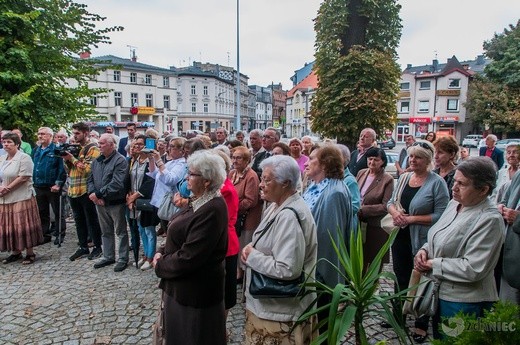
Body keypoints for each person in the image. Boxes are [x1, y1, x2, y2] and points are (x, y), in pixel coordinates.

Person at [414, 157, 505, 339]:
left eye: (462, 184)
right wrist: (425, 250)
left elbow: (474, 268)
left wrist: (433, 264)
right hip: (441, 293)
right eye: (455, 181)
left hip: (465, 301)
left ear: (483, 189)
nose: (454, 188)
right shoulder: (455, 203)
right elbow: (439, 235)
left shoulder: (490, 219)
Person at [153, 150, 229, 345]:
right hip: (183, 290)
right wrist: (161, 251)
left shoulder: (212, 208)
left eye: (192, 173)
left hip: (196, 294)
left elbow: (190, 256)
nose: (186, 177)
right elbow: (176, 231)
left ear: (206, 180)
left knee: (194, 337)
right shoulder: (199, 201)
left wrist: (161, 264)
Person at [242, 155, 318, 344]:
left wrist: (252, 256)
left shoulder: (288, 216)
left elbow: (287, 268)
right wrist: (254, 247)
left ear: (285, 183)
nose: (261, 184)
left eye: (266, 179)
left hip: (280, 313)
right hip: (274, 308)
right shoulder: (278, 206)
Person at [387, 140, 449, 342]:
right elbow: (390, 202)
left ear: (428, 160)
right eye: (411, 156)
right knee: (400, 276)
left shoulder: (436, 182)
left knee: (422, 278)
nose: (413, 160)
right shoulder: (404, 178)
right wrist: (396, 213)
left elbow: (441, 214)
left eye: (418, 157)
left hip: (422, 239)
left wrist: (411, 219)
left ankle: (421, 324)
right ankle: (398, 315)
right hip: (400, 235)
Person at [303, 144, 352, 332]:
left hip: (320, 271)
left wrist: (322, 276)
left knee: (322, 321)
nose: (307, 163)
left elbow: (330, 238)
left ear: (324, 164)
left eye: (312, 159)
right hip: (310, 264)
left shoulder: (335, 193)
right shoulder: (316, 185)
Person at [87, 133, 129, 272]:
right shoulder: (96, 161)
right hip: (99, 202)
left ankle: (123, 258)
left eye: (103, 143)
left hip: (115, 201)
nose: (99, 146)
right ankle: (108, 255)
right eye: (99, 143)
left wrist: (99, 194)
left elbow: (117, 183)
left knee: (120, 231)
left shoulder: (120, 160)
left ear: (112, 145)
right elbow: (90, 179)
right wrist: (93, 194)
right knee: (105, 231)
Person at [0, 132, 42, 264]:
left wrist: (7, 188)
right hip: (5, 197)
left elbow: (24, 176)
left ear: (17, 144)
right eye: (4, 142)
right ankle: (15, 251)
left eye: (9, 142)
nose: (6, 144)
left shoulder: (24, 158)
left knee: (23, 224)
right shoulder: (2, 158)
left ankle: (30, 252)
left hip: (21, 196)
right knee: (10, 224)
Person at [64, 122, 103, 261]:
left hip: (86, 190)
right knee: (78, 220)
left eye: (77, 133)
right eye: (73, 133)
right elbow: (70, 170)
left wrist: (72, 159)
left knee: (91, 220)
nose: (74, 136)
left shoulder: (92, 148)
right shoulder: (74, 148)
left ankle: (97, 246)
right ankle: (83, 247)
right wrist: (67, 161)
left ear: (86, 133)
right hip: (73, 188)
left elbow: (88, 169)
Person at [213, 150, 239, 335]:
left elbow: (221, 220)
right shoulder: (219, 188)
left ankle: (220, 328)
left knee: (225, 292)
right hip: (219, 243)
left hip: (225, 245)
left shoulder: (226, 190)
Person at [355, 148, 394, 270]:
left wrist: (363, 209)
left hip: (375, 226)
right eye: (369, 159)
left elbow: (385, 206)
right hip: (359, 223)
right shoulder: (362, 173)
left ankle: (372, 287)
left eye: (376, 160)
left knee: (374, 261)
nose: (372, 162)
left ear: (383, 161)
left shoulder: (387, 179)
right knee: (359, 258)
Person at [228, 146, 262, 282]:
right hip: (234, 217)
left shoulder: (251, 176)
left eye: (239, 158)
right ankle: (238, 271)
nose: (235, 161)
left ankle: (244, 274)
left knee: (244, 244)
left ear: (247, 160)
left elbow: (251, 200)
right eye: (234, 157)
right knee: (236, 244)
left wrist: (233, 205)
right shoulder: (232, 174)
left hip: (247, 218)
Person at [126, 135, 160, 270]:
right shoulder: (135, 160)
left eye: (140, 144)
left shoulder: (150, 162)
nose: (137, 147)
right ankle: (145, 255)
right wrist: (129, 195)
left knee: (149, 229)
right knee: (141, 229)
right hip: (135, 200)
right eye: (136, 144)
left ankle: (150, 256)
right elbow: (130, 178)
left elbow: (150, 182)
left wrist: (135, 196)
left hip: (146, 199)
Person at [32, 127, 67, 244]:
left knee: (58, 212)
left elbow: (62, 169)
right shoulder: (36, 150)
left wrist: (58, 183)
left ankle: (59, 234)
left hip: (52, 186)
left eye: (43, 134)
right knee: (42, 212)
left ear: (50, 136)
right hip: (39, 185)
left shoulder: (56, 150)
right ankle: (45, 235)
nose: (40, 136)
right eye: (39, 134)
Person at [147, 137, 187, 236]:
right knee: (166, 230)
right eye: (169, 146)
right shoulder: (170, 163)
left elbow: (170, 180)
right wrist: (151, 159)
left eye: (172, 146)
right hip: (161, 201)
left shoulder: (182, 164)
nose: (169, 149)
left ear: (181, 150)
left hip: (170, 202)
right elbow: (155, 174)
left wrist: (159, 160)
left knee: (171, 232)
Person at [498, 168, 520, 305]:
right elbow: (504, 200)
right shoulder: (519, 174)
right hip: (510, 258)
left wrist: (518, 219)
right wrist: (501, 207)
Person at [337, 144, 361, 231]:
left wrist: (335, 210)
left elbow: (355, 206)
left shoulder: (350, 180)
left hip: (345, 226)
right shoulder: (332, 177)